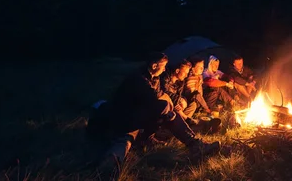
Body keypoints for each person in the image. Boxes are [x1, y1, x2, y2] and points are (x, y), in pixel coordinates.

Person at [86, 52, 220, 172]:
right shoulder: (139, 79)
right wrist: (168, 111)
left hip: (136, 117)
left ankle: (195, 144)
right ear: (155, 66)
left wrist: (171, 109)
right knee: (125, 140)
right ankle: (110, 162)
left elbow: (161, 96)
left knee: (166, 111)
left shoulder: (154, 78)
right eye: (163, 67)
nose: (164, 70)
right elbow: (154, 102)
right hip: (124, 118)